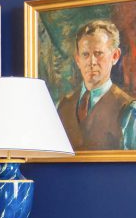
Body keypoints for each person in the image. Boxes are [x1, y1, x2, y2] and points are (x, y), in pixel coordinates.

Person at [56, 19, 136, 151]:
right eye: (85, 54)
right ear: (77, 59)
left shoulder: (129, 110)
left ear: (115, 56)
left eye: (98, 54)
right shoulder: (63, 106)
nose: (91, 62)